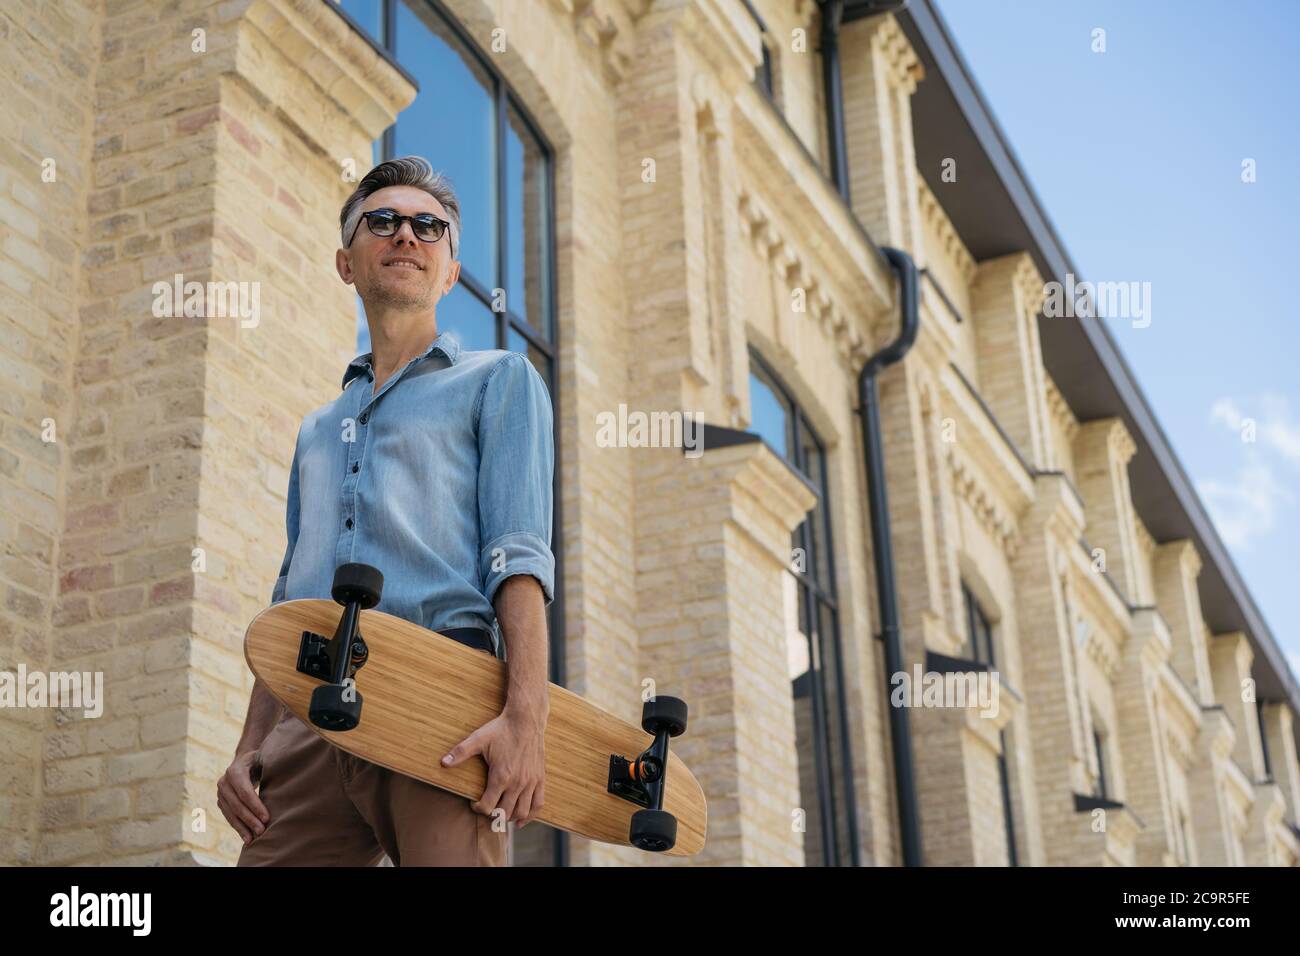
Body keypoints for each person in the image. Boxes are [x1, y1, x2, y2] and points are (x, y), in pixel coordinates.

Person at [217, 156, 555, 866]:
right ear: (347, 262)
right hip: (308, 718)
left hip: (442, 694)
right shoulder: (317, 428)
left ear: (450, 271)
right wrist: (252, 746)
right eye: (384, 221)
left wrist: (528, 718)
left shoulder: (499, 380)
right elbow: (289, 595)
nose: (407, 234)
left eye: (429, 227)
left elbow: (517, 557)